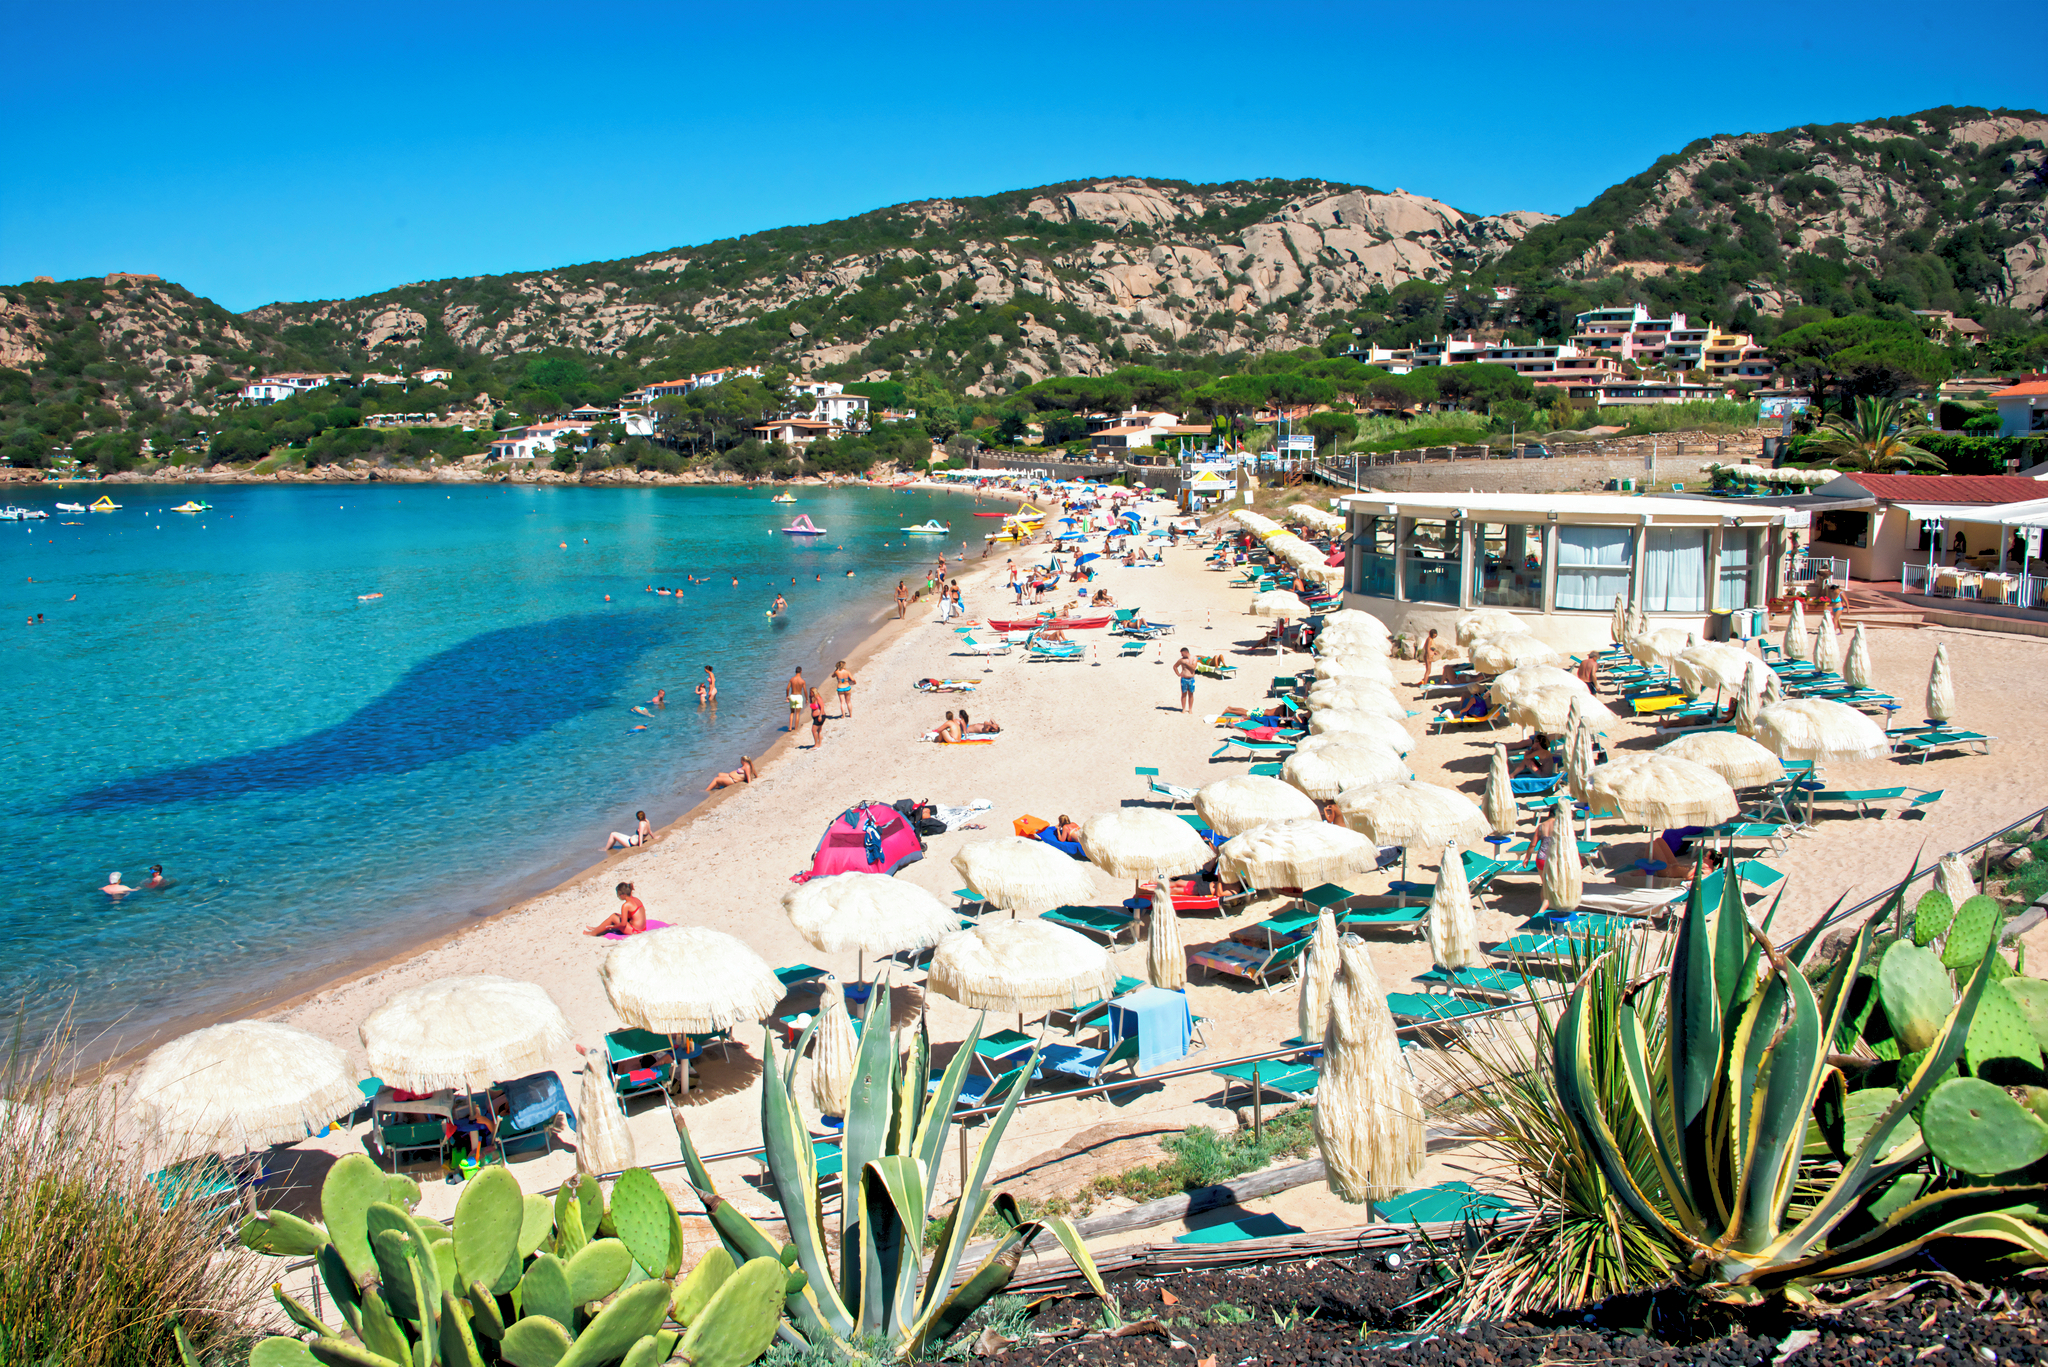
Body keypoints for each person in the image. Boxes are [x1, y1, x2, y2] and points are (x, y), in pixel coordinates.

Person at [1174, 648, 1198, 714]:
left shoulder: (1193, 658)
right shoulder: (1181, 660)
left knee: (1191, 694)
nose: (1181, 655)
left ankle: (1190, 709)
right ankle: (1183, 708)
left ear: (1186, 652)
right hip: (1184, 678)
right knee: (1183, 694)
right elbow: (1175, 666)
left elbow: (1193, 668)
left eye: (1182, 653)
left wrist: (1186, 664)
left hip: (1191, 679)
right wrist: (1178, 674)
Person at [786, 667, 805, 733]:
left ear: (795, 671)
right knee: (797, 713)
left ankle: (790, 727)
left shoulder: (792, 680)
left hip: (792, 696)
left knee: (792, 712)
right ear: (801, 672)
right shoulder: (802, 681)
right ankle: (796, 728)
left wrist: (787, 696)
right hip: (799, 696)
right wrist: (807, 699)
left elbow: (787, 688)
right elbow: (805, 690)